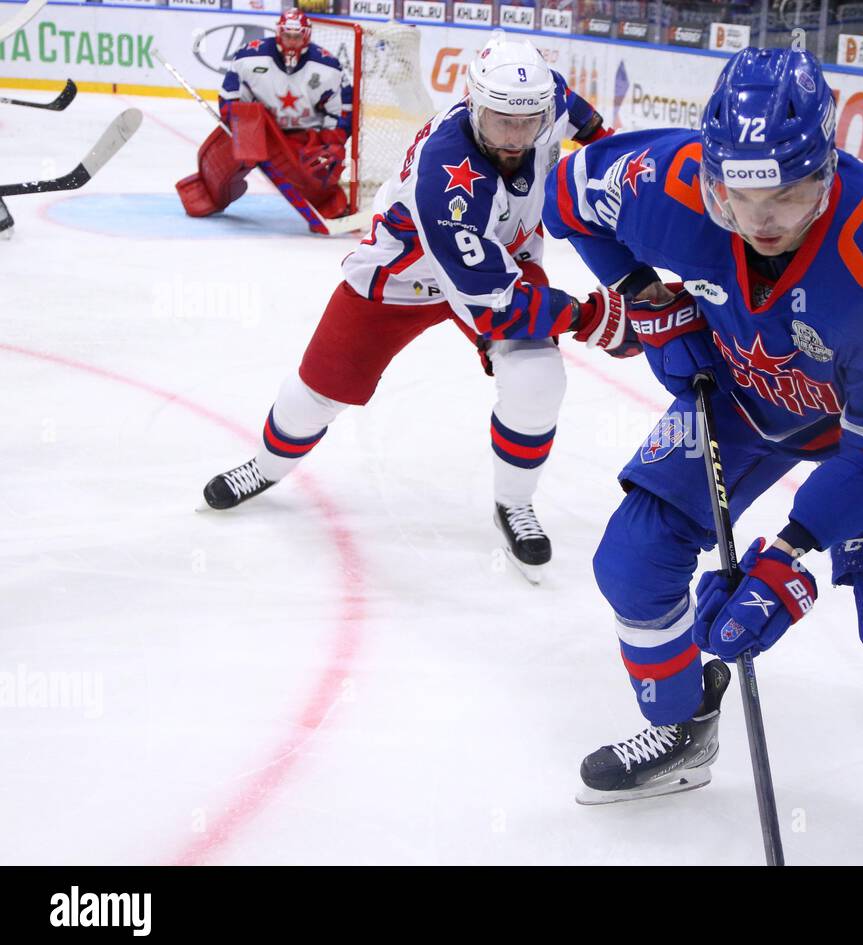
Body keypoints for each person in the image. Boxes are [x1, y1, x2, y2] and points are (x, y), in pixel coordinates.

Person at [543, 46, 863, 864]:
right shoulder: (667, 183)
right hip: (747, 395)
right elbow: (566, 199)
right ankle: (683, 729)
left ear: (825, 167)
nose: (760, 219)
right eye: (738, 193)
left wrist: (791, 553)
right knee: (632, 561)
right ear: (709, 168)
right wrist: (646, 297)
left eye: (786, 194)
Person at [202, 34, 634, 583]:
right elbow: (492, 303)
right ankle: (263, 468)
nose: (516, 137)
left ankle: (514, 503)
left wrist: (628, 170)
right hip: (406, 277)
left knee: (538, 381)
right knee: (318, 392)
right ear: (474, 105)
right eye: (501, 122)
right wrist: (591, 317)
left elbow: (589, 125)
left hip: (497, 260)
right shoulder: (447, 174)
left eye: (529, 123)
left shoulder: (539, 102)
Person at [176, 8, 353, 234]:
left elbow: (342, 110)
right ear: (279, 33)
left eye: (297, 36)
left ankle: (328, 203)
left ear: (306, 36)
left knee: (316, 174)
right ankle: (206, 193)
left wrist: (331, 141)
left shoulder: (328, 67)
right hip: (256, 128)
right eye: (287, 35)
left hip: (302, 136)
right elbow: (230, 95)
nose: (291, 41)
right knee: (224, 167)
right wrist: (239, 123)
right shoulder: (250, 57)